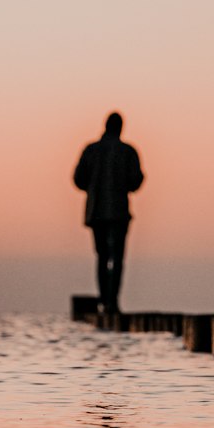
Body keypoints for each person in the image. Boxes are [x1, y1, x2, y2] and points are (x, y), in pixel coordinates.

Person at [73, 112, 144, 313]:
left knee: (102, 256)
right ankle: (112, 301)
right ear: (120, 128)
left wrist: (94, 186)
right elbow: (136, 181)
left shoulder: (91, 151)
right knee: (117, 258)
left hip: (96, 212)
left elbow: (78, 179)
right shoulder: (127, 151)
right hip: (119, 213)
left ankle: (105, 299)